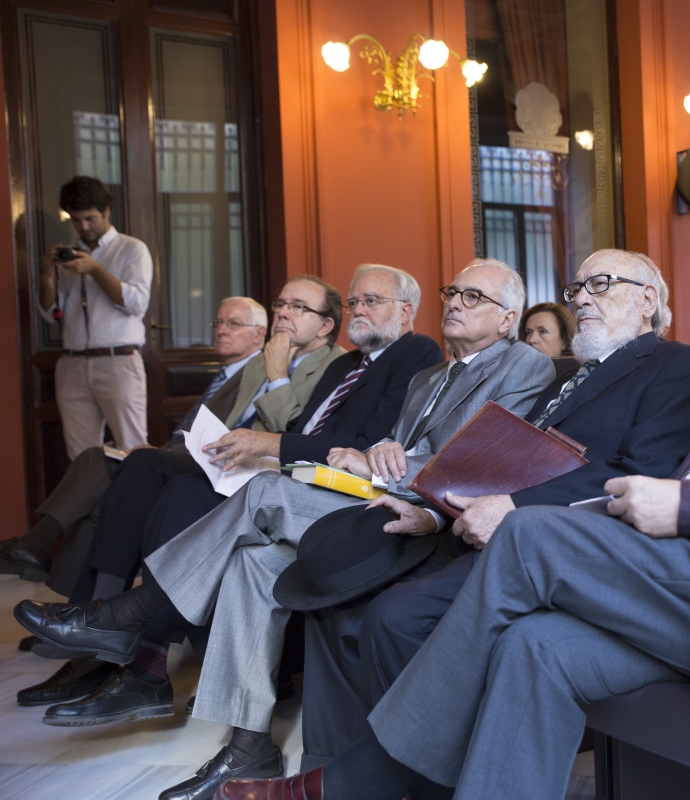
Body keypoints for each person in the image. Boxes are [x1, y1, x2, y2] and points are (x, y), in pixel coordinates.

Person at [212, 160, 690, 800]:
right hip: (689, 572)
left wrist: (689, 504)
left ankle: (358, 782)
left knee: (530, 538)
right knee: (534, 647)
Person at [16, 259, 549, 800]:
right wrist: (368, 453)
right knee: (252, 562)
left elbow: (474, 461)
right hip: (370, 501)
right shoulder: (427, 378)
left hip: (425, 523)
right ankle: (249, 746)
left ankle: (130, 612)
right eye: (453, 291)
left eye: (473, 296)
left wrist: (384, 465)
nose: (455, 301)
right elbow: (390, 445)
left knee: (264, 490)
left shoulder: (523, 366)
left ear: (508, 319)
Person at [293, 249, 690, 769]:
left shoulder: (680, 365)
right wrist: (436, 513)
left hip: (559, 543)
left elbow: (642, 474)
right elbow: (504, 460)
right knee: (334, 594)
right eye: (576, 288)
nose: (581, 298)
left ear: (648, 300)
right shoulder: (571, 377)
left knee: (395, 617)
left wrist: (515, 506)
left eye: (600, 284)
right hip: (473, 528)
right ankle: (337, 767)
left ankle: (425, 780)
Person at [0, 297, 267, 591]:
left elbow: (230, 434)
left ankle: (38, 549)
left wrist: (159, 455)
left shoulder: (258, 374)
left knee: (100, 469)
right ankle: (72, 597)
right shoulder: (226, 374)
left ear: (259, 333)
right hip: (170, 458)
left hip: (207, 470)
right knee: (95, 468)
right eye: (219, 322)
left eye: (234, 324)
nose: (222, 330)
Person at [40, 176, 153, 458]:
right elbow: (51, 313)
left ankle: (135, 491)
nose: (83, 227)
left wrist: (95, 270)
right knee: (81, 456)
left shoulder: (132, 249)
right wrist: (47, 274)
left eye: (89, 218)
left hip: (118, 360)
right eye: (76, 220)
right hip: (72, 364)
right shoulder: (69, 254)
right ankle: (93, 492)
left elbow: (137, 303)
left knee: (133, 449)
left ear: (106, 210)